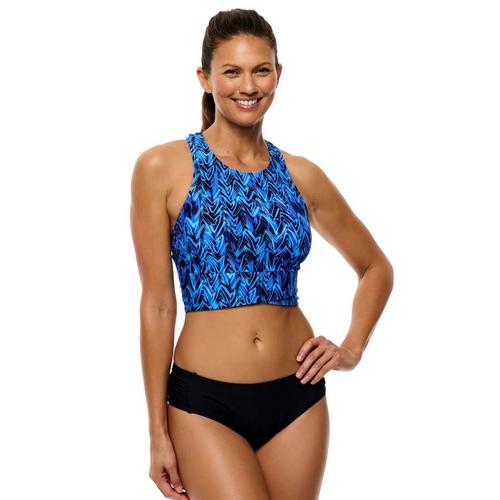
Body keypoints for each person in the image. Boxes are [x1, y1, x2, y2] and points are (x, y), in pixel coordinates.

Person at [130, 8, 394, 500]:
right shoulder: (162, 168)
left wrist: (351, 349)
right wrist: (156, 432)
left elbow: (375, 268)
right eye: (231, 71)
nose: (248, 86)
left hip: (297, 399)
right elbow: (158, 304)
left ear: (278, 74)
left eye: (261, 70)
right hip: (204, 403)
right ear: (204, 77)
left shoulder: (301, 174)